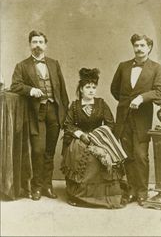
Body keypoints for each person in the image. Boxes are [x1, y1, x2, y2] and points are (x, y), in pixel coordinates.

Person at [11, 30, 69, 200]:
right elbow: (15, 85)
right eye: (34, 42)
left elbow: (62, 90)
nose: (37, 45)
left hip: (54, 111)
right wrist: (31, 90)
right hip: (36, 113)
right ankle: (36, 187)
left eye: (40, 42)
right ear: (30, 45)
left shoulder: (54, 63)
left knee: (49, 152)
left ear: (45, 45)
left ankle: (47, 186)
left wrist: (64, 113)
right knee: (38, 150)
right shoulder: (22, 66)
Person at [110, 34, 161, 206]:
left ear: (149, 47)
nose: (139, 48)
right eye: (136, 45)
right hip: (124, 117)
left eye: (142, 45)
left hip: (142, 118)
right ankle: (131, 191)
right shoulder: (123, 66)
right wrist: (126, 102)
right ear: (133, 47)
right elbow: (114, 89)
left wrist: (141, 98)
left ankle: (142, 191)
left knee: (141, 155)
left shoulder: (156, 68)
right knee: (126, 155)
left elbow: (159, 92)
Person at [61, 68, 127, 209]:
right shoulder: (74, 106)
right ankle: (80, 195)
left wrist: (98, 135)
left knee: (102, 157)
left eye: (93, 87)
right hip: (80, 140)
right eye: (87, 87)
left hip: (99, 139)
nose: (91, 90)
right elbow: (68, 125)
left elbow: (110, 123)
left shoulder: (101, 104)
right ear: (81, 89)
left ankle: (105, 196)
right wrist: (81, 135)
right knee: (87, 157)